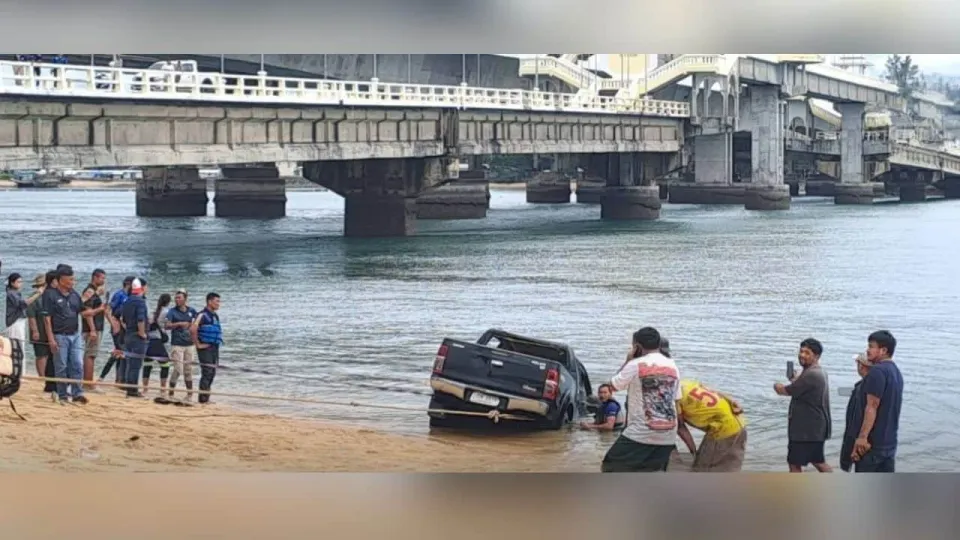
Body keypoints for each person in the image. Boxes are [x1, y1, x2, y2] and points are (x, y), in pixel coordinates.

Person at [600, 327, 681, 472]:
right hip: (668, 434)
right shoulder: (673, 365)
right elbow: (676, 400)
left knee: (610, 467)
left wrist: (628, 360)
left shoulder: (635, 364)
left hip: (641, 432)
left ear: (637, 346)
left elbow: (612, 386)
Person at [774, 338, 832, 473]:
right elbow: (803, 387)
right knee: (817, 461)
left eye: (807, 353)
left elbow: (785, 391)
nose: (802, 355)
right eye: (801, 351)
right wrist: (795, 380)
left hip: (806, 431)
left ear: (816, 356)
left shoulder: (811, 374)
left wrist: (776, 385)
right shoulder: (818, 372)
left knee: (795, 464)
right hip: (813, 429)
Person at [851, 330, 903, 473]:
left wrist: (862, 438)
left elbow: (872, 406)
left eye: (871, 346)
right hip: (889, 443)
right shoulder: (896, 372)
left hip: (872, 444)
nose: (867, 350)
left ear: (883, 350)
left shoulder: (877, 371)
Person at [676, 380, 748, 472]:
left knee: (701, 469)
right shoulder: (685, 383)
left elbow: (681, 428)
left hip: (722, 429)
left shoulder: (672, 399)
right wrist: (731, 400)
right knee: (730, 468)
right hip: (739, 422)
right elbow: (713, 391)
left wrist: (693, 452)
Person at [42, 265, 87, 404]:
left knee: (78, 364)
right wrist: (51, 339)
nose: (73, 282)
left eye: (73, 279)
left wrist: (100, 310)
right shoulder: (50, 295)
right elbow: (47, 319)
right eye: (70, 279)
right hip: (59, 335)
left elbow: (82, 312)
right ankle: (62, 395)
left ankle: (77, 393)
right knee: (61, 366)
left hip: (75, 334)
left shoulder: (74, 294)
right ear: (61, 280)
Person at [840, 354, 872, 472]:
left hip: (860, 443)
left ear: (862, 366)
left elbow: (855, 420)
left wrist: (851, 447)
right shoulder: (874, 387)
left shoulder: (862, 388)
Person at [100, 276, 134, 386]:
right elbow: (108, 310)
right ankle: (105, 378)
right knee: (119, 352)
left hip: (126, 328)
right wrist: (113, 324)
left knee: (121, 354)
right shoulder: (119, 295)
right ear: (128, 284)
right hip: (118, 328)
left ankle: (118, 379)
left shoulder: (130, 296)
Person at [165, 289, 198, 401]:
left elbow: (197, 323)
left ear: (185, 299)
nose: (177, 300)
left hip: (190, 344)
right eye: (176, 298)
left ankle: (189, 395)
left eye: (179, 298)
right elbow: (167, 326)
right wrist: (179, 324)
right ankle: (171, 393)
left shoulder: (192, 311)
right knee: (178, 369)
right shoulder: (172, 312)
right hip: (177, 344)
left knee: (188, 370)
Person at [191, 292, 223, 405]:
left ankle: (206, 397)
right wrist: (198, 344)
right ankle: (203, 399)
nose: (219, 304)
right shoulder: (202, 315)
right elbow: (193, 329)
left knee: (212, 372)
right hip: (205, 348)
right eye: (217, 301)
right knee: (207, 372)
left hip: (214, 347)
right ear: (209, 302)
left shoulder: (214, 315)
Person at [121, 278, 149, 398]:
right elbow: (141, 319)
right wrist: (142, 333)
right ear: (142, 288)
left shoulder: (127, 300)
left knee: (130, 363)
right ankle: (133, 390)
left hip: (128, 334)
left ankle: (130, 388)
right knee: (136, 364)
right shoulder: (140, 302)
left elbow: (122, 318)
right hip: (137, 335)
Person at [80, 269, 108, 391]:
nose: (103, 281)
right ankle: (88, 383)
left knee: (91, 354)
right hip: (93, 327)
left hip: (95, 326)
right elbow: (87, 311)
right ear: (95, 278)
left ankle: (87, 381)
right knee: (90, 355)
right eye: (101, 278)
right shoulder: (90, 291)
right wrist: (92, 329)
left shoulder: (94, 291)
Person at [25, 273, 54, 391]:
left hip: (47, 330)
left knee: (47, 354)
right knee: (41, 354)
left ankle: (46, 375)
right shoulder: (34, 298)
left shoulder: (47, 297)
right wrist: (35, 331)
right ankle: (41, 376)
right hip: (39, 329)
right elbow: (31, 317)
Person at [142, 293, 172, 397]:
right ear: (168, 302)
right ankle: (163, 389)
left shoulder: (153, 312)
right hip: (158, 340)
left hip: (149, 339)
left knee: (147, 364)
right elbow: (168, 325)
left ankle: (145, 389)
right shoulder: (167, 312)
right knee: (165, 364)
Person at [5, 272, 43, 345]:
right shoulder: (11, 293)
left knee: (19, 344)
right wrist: (38, 294)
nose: (21, 283)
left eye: (21, 281)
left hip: (18, 321)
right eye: (18, 282)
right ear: (12, 283)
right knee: (17, 345)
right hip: (15, 322)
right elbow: (23, 304)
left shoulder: (14, 292)